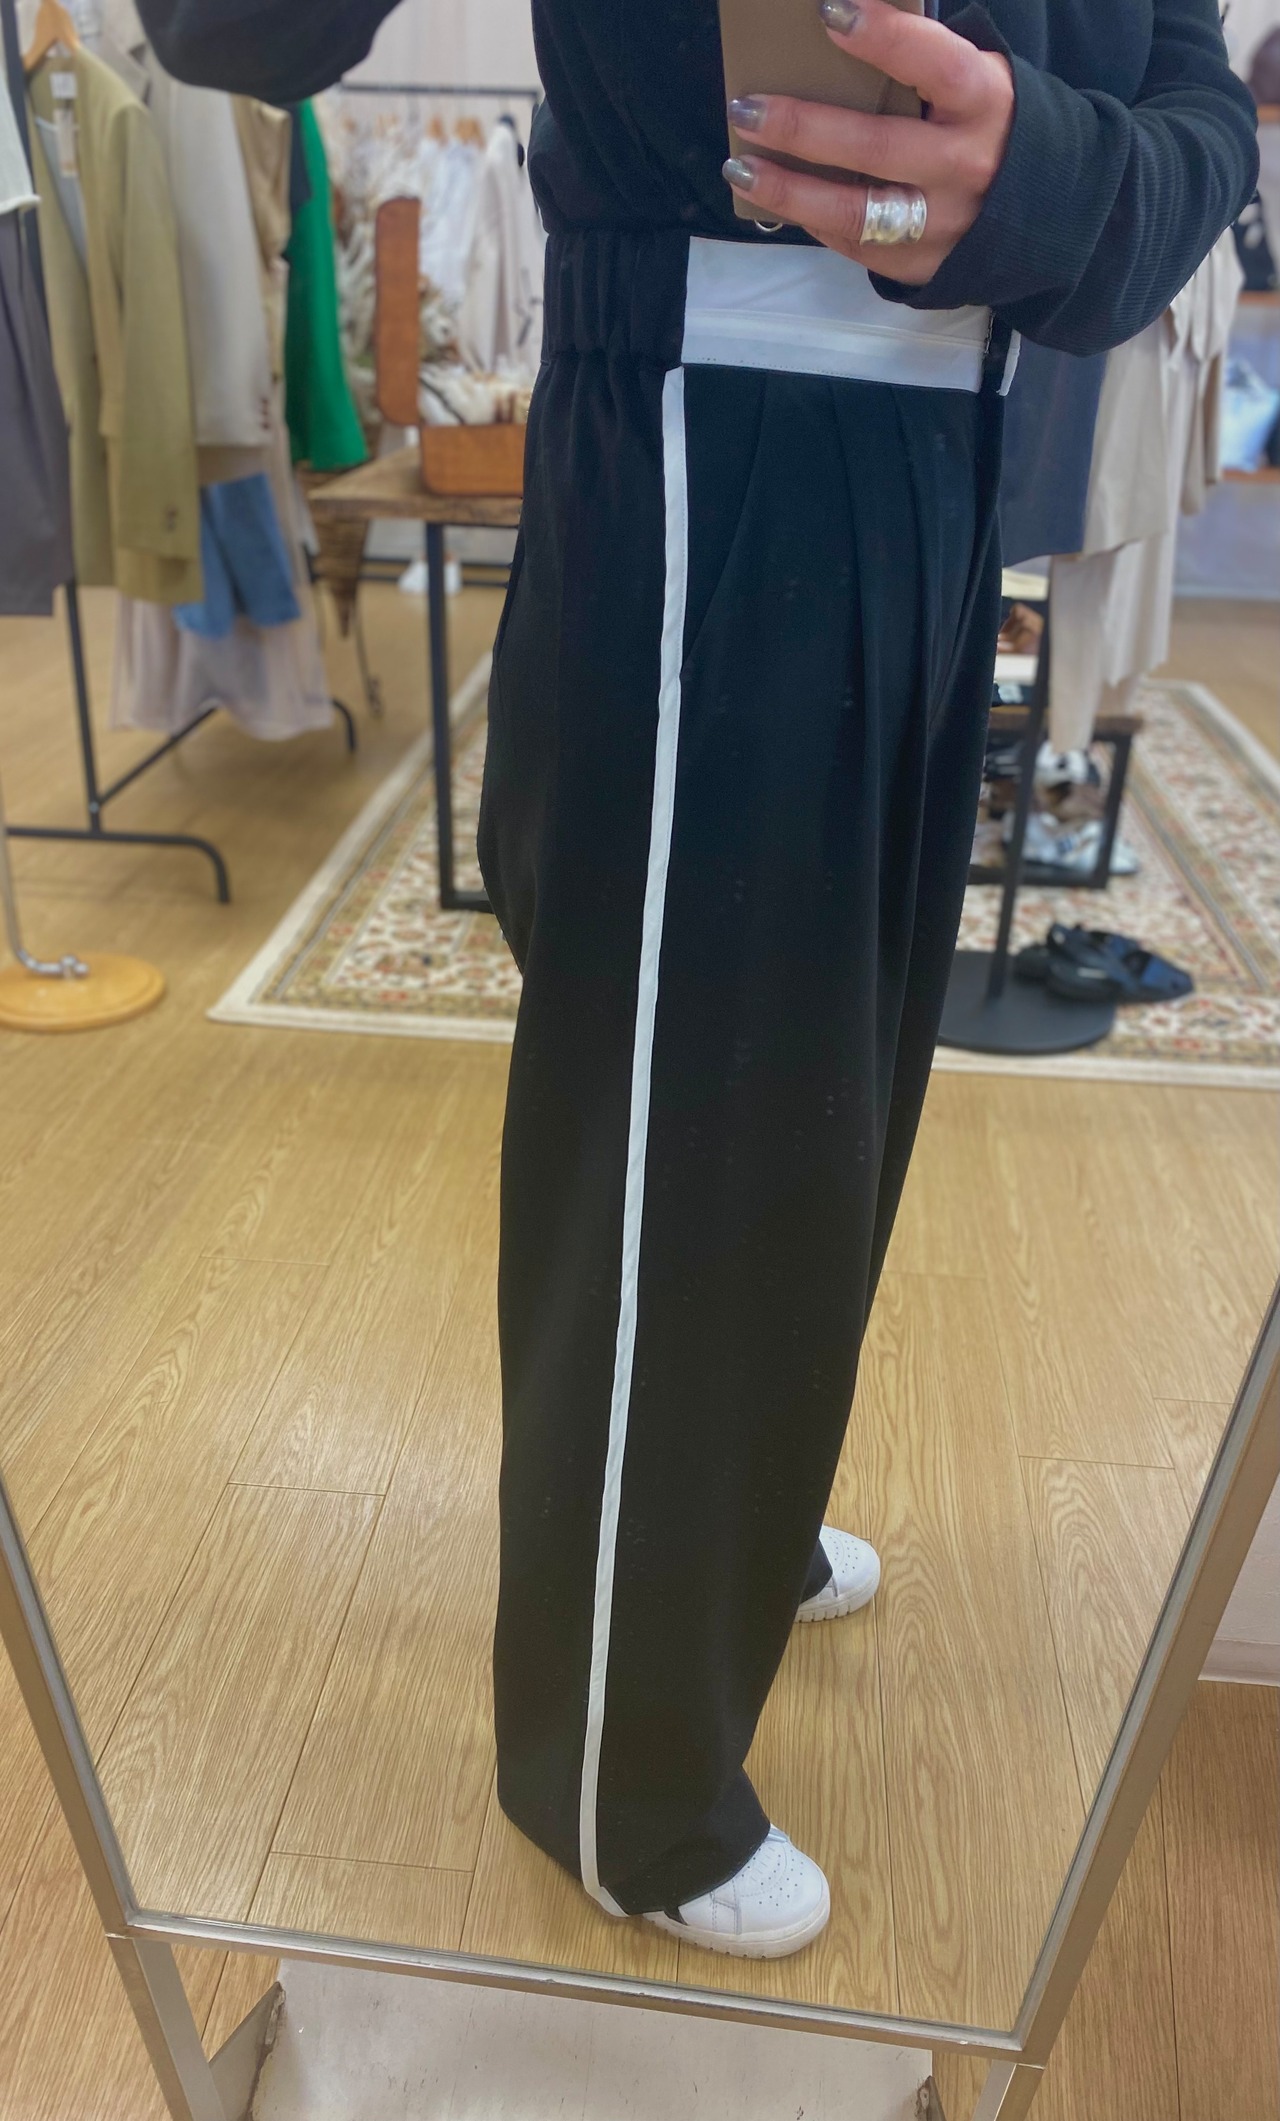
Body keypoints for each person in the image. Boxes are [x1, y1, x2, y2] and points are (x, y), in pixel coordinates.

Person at [138, 0, 1257, 1959]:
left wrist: (1055, 179)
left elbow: (1193, 107)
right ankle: (617, 1773)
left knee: (836, 1082)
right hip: (703, 413)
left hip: (958, 436)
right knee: (683, 1117)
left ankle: (729, 1522)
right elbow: (237, 24)